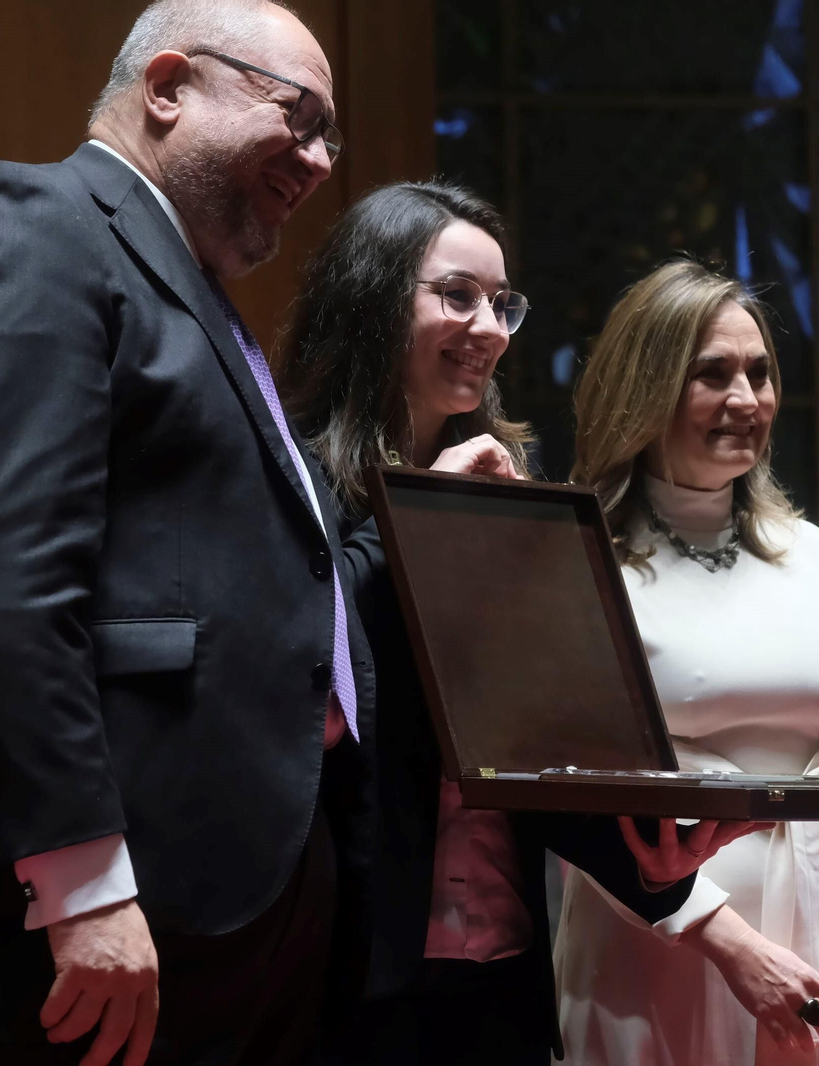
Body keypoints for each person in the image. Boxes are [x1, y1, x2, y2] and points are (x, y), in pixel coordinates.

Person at [0, 2, 370, 1064]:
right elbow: (1, 568)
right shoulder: (35, 222)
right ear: (169, 84)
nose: (320, 163)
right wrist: (82, 879)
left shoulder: (192, 293)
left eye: (334, 139)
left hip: (224, 905)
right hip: (78, 903)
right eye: (302, 118)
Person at [275, 183, 755, 1065]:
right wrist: (418, 519)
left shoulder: (506, 483)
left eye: (502, 304)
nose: (491, 328)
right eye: (458, 296)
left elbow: (524, 751)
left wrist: (647, 859)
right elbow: (292, 659)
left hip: (500, 966)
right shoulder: (287, 467)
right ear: (376, 295)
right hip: (346, 966)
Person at [554, 260, 819, 1065]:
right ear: (645, 389)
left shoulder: (814, 557)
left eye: (760, 373)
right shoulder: (585, 565)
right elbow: (574, 795)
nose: (747, 400)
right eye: (712, 374)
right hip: (662, 945)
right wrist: (731, 947)